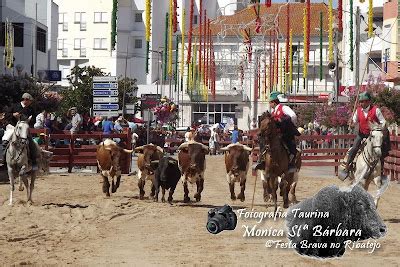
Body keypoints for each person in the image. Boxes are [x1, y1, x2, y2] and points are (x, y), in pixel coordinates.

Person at [343, 91, 388, 176]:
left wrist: (379, 128)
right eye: (360, 101)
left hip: (373, 135)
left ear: (368, 101)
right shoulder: (358, 111)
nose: (361, 103)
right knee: (354, 148)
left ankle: (381, 170)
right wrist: (351, 124)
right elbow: (354, 121)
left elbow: (383, 122)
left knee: (381, 149)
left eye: (363, 101)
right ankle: (347, 167)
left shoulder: (376, 110)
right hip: (362, 134)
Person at [254, 91, 300, 172]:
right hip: (275, 134)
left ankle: (291, 163)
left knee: (290, 145)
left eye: (270, 103)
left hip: (285, 132)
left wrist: (286, 124)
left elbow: (293, 116)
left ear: (274, 102)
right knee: (263, 141)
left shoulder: (284, 108)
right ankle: (261, 160)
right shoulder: (272, 112)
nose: (269, 105)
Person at [1, 93, 38, 170]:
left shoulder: (31, 109)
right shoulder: (14, 106)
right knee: (5, 140)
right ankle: (2, 158)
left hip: (24, 128)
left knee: (32, 143)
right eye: (29, 101)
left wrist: (29, 120)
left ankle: (34, 162)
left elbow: (34, 120)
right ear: (25, 100)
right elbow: (6, 115)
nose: (30, 102)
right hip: (12, 127)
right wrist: (13, 115)